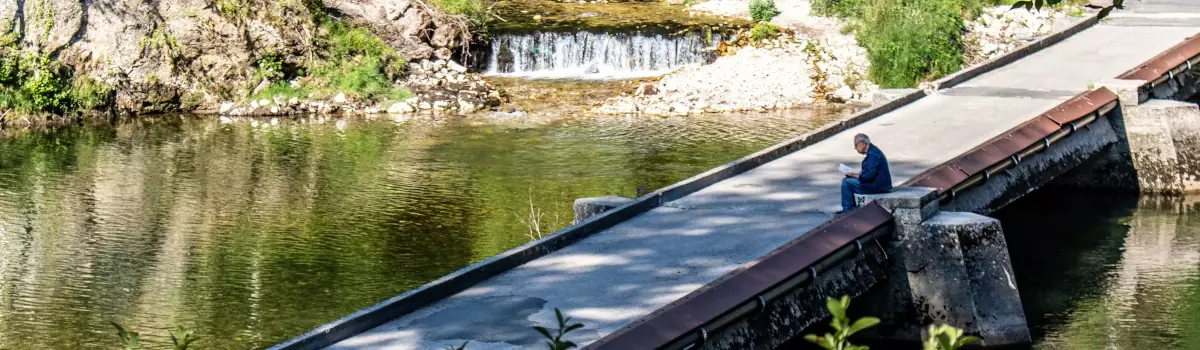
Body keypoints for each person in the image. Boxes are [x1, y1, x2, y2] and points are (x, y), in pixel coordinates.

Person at [840, 134, 892, 213]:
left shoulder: (873, 155)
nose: (856, 148)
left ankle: (847, 211)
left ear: (863, 144)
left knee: (846, 182)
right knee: (849, 180)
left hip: (877, 186)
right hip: (879, 184)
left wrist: (855, 175)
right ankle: (849, 208)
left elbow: (868, 176)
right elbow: (870, 172)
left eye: (856, 145)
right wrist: (857, 175)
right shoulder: (873, 152)